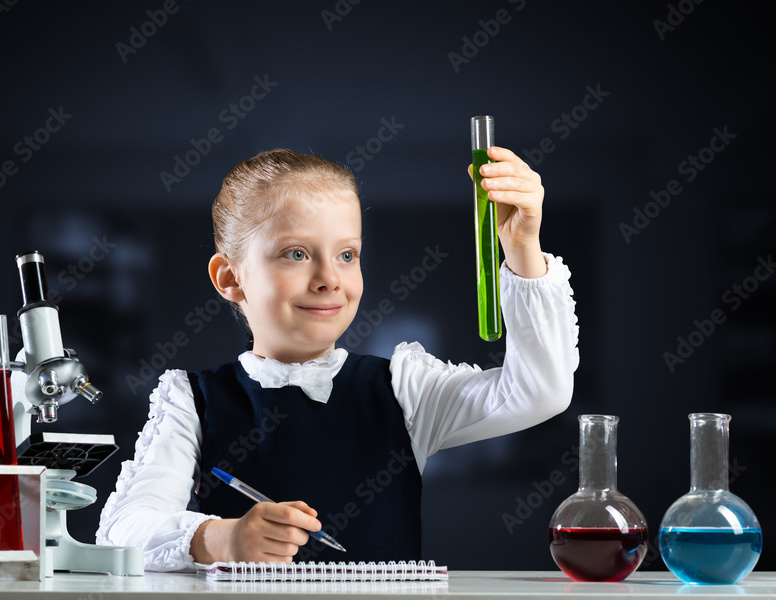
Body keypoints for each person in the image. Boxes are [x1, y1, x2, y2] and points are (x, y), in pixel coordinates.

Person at [95, 147, 579, 571]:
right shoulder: (191, 399)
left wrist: (520, 246)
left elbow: (539, 391)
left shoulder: (404, 388)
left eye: (347, 255)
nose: (330, 278)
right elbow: (125, 530)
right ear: (230, 278)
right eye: (295, 254)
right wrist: (223, 538)